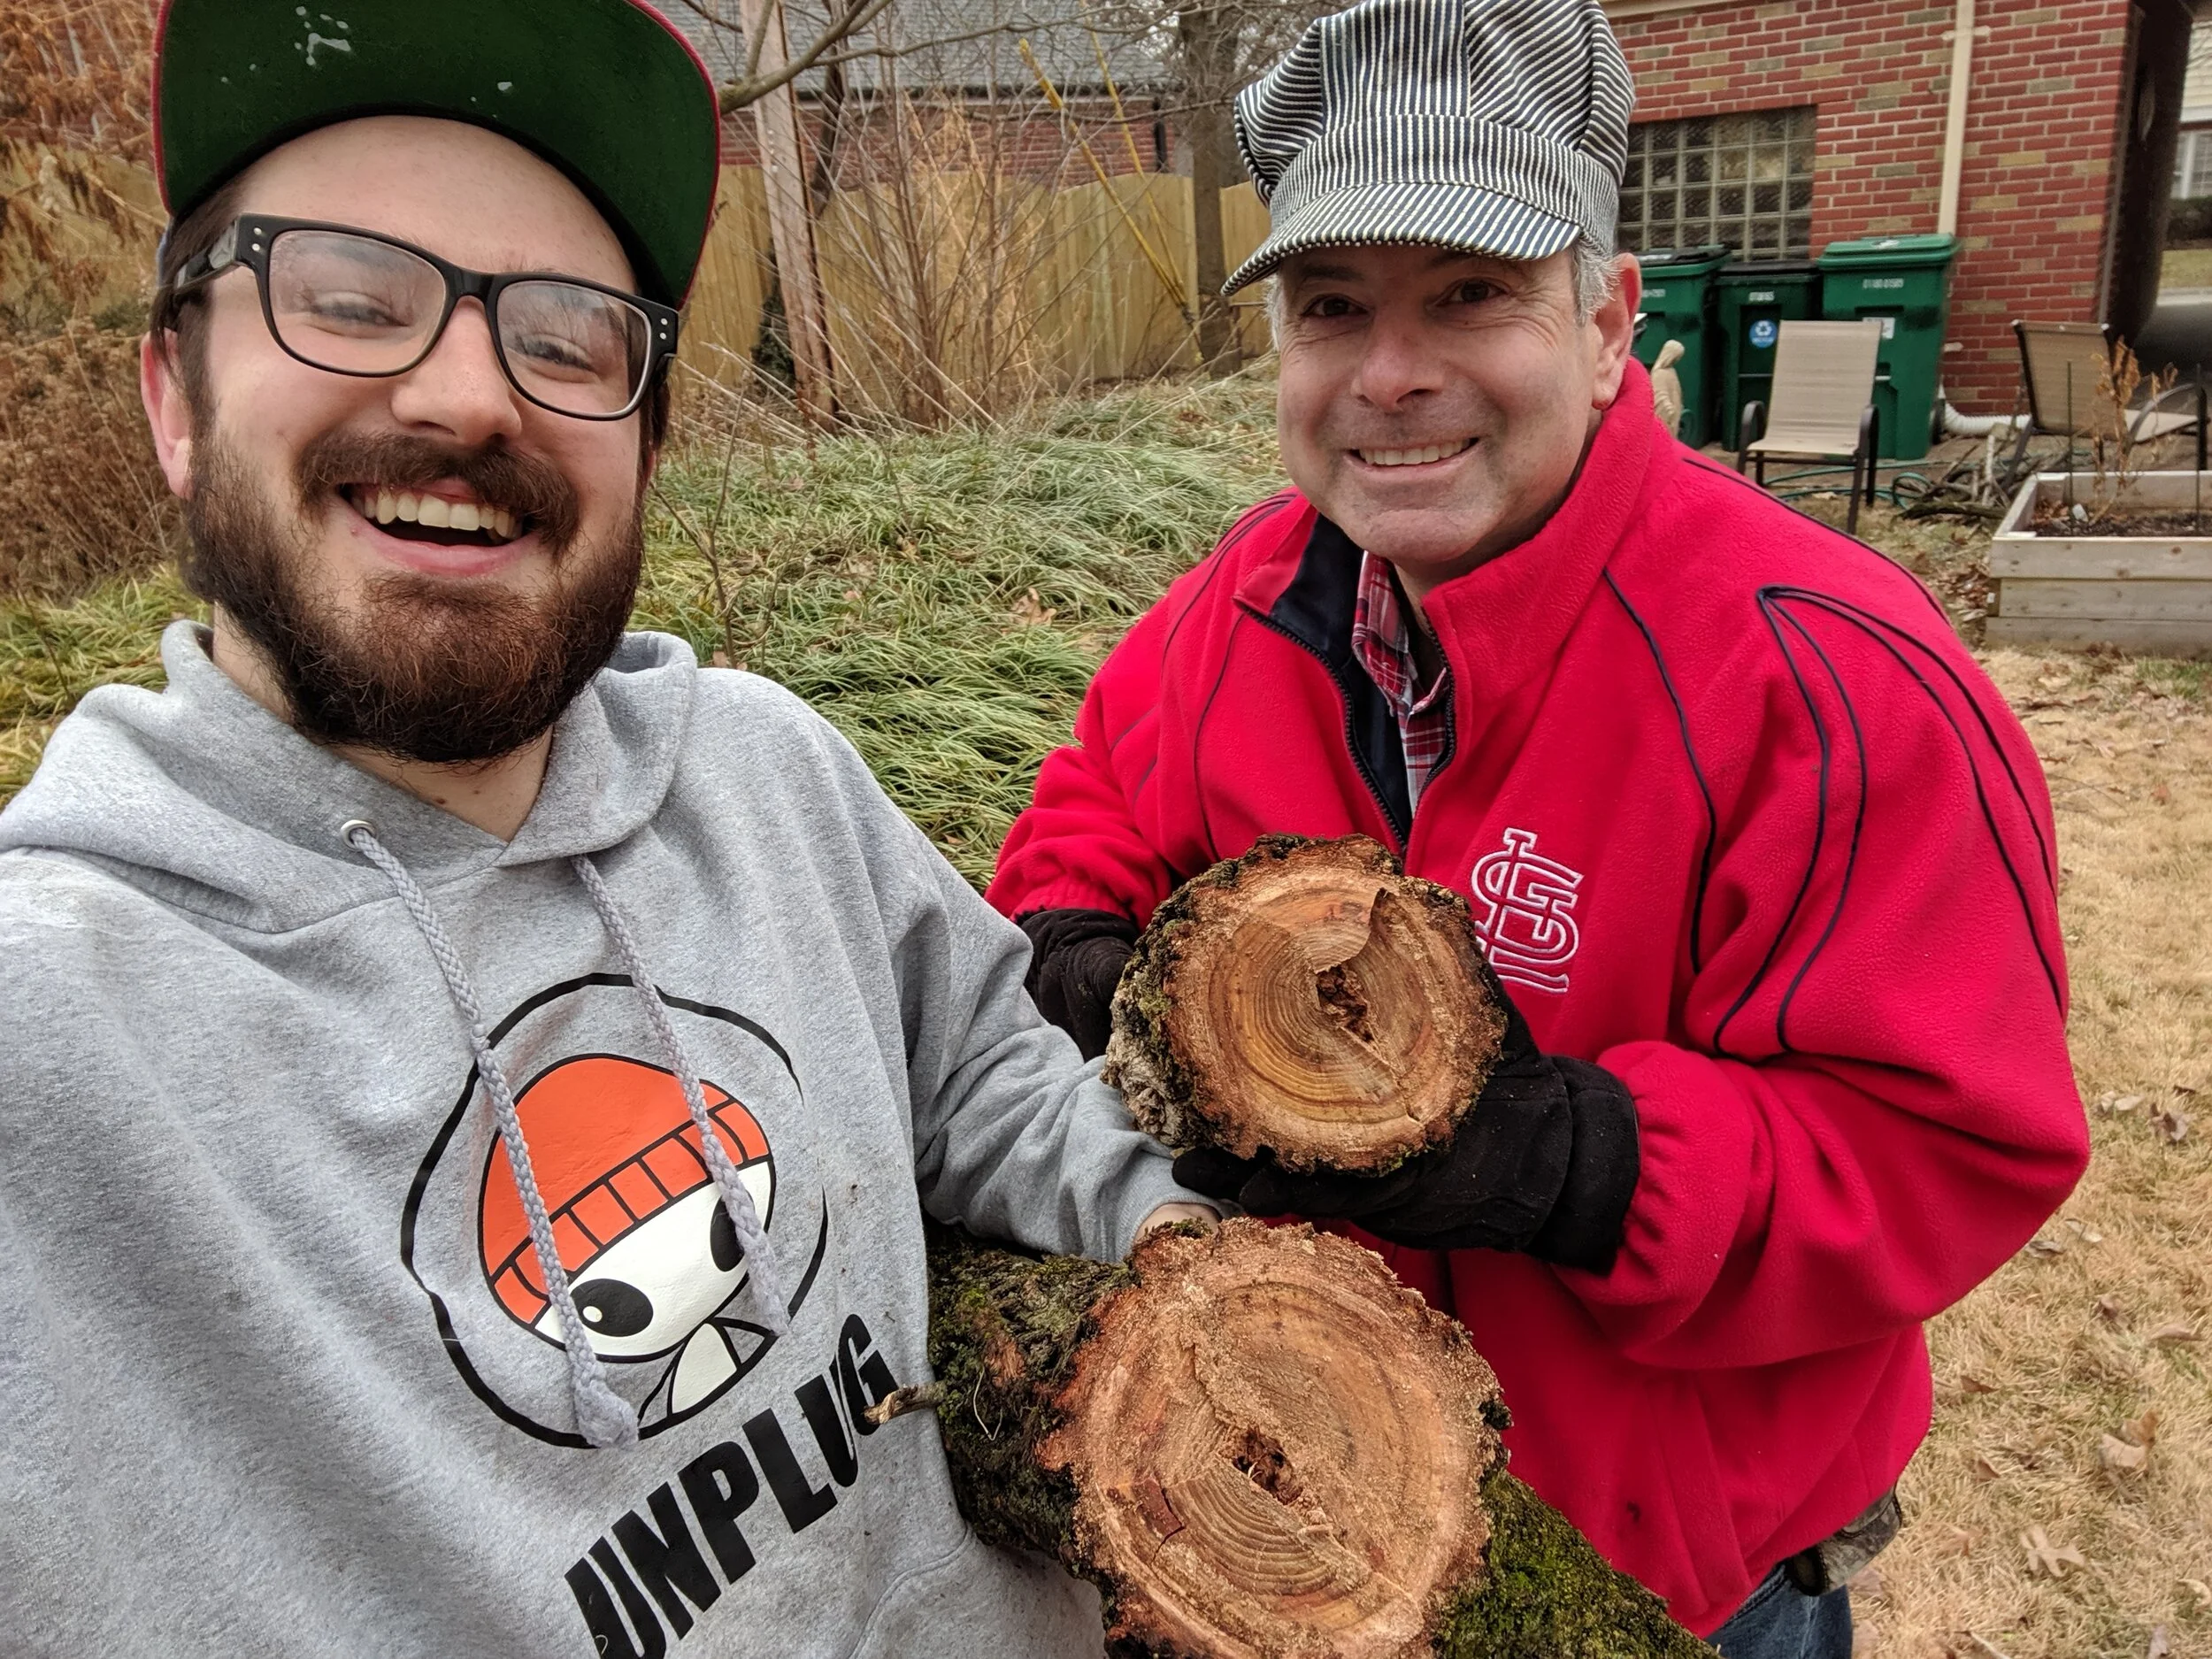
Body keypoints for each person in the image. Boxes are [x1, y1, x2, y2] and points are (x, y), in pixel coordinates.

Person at [0, 3, 1209, 1654]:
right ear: (175, 395)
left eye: (564, 337)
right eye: (347, 298)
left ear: (646, 434)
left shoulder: (766, 774)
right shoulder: (54, 1024)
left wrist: (1191, 1257)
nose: (459, 394)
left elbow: (986, 1075)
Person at [989, 0, 2089, 1653]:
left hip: (1673, 1588)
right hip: (1313, 1536)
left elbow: (1955, 1140)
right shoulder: (1247, 600)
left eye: (1472, 294)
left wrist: (1582, 1166)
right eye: (1332, 307)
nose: (1392, 374)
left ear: (1604, 318)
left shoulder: (1827, 673)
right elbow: (1090, 811)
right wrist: (1096, 964)